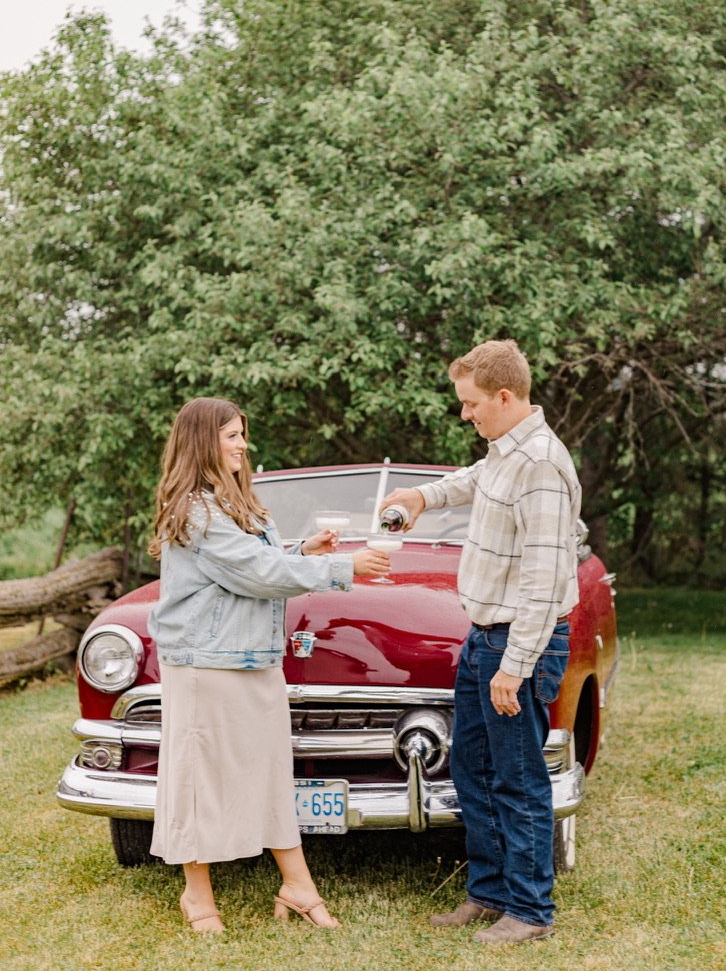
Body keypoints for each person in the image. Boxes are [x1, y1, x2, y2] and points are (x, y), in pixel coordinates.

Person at [147, 397, 390, 932]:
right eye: (232, 435)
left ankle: (297, 885)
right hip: (205, 664)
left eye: (241, 435)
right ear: (203, 441)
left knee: (269, 773)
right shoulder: (194, 509)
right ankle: (197, 895)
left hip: (251, 658)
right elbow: (253, 572)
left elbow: (254, 559)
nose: (242, 444)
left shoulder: (229, 502)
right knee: (199, 780)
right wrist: (340, 565)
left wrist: (301, 549)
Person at [380, 339, 580, 946]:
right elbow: (472, 480)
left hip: (520, 642)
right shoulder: (505, 451)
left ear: (503, 395)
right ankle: (489, 892)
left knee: (516, 776)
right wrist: (420, 496)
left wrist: (514, 667)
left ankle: (529, 911)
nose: (465, 414)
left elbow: (545, 583)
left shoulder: (542, 464)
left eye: (470, 404)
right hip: (485, 635)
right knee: (473, 764)